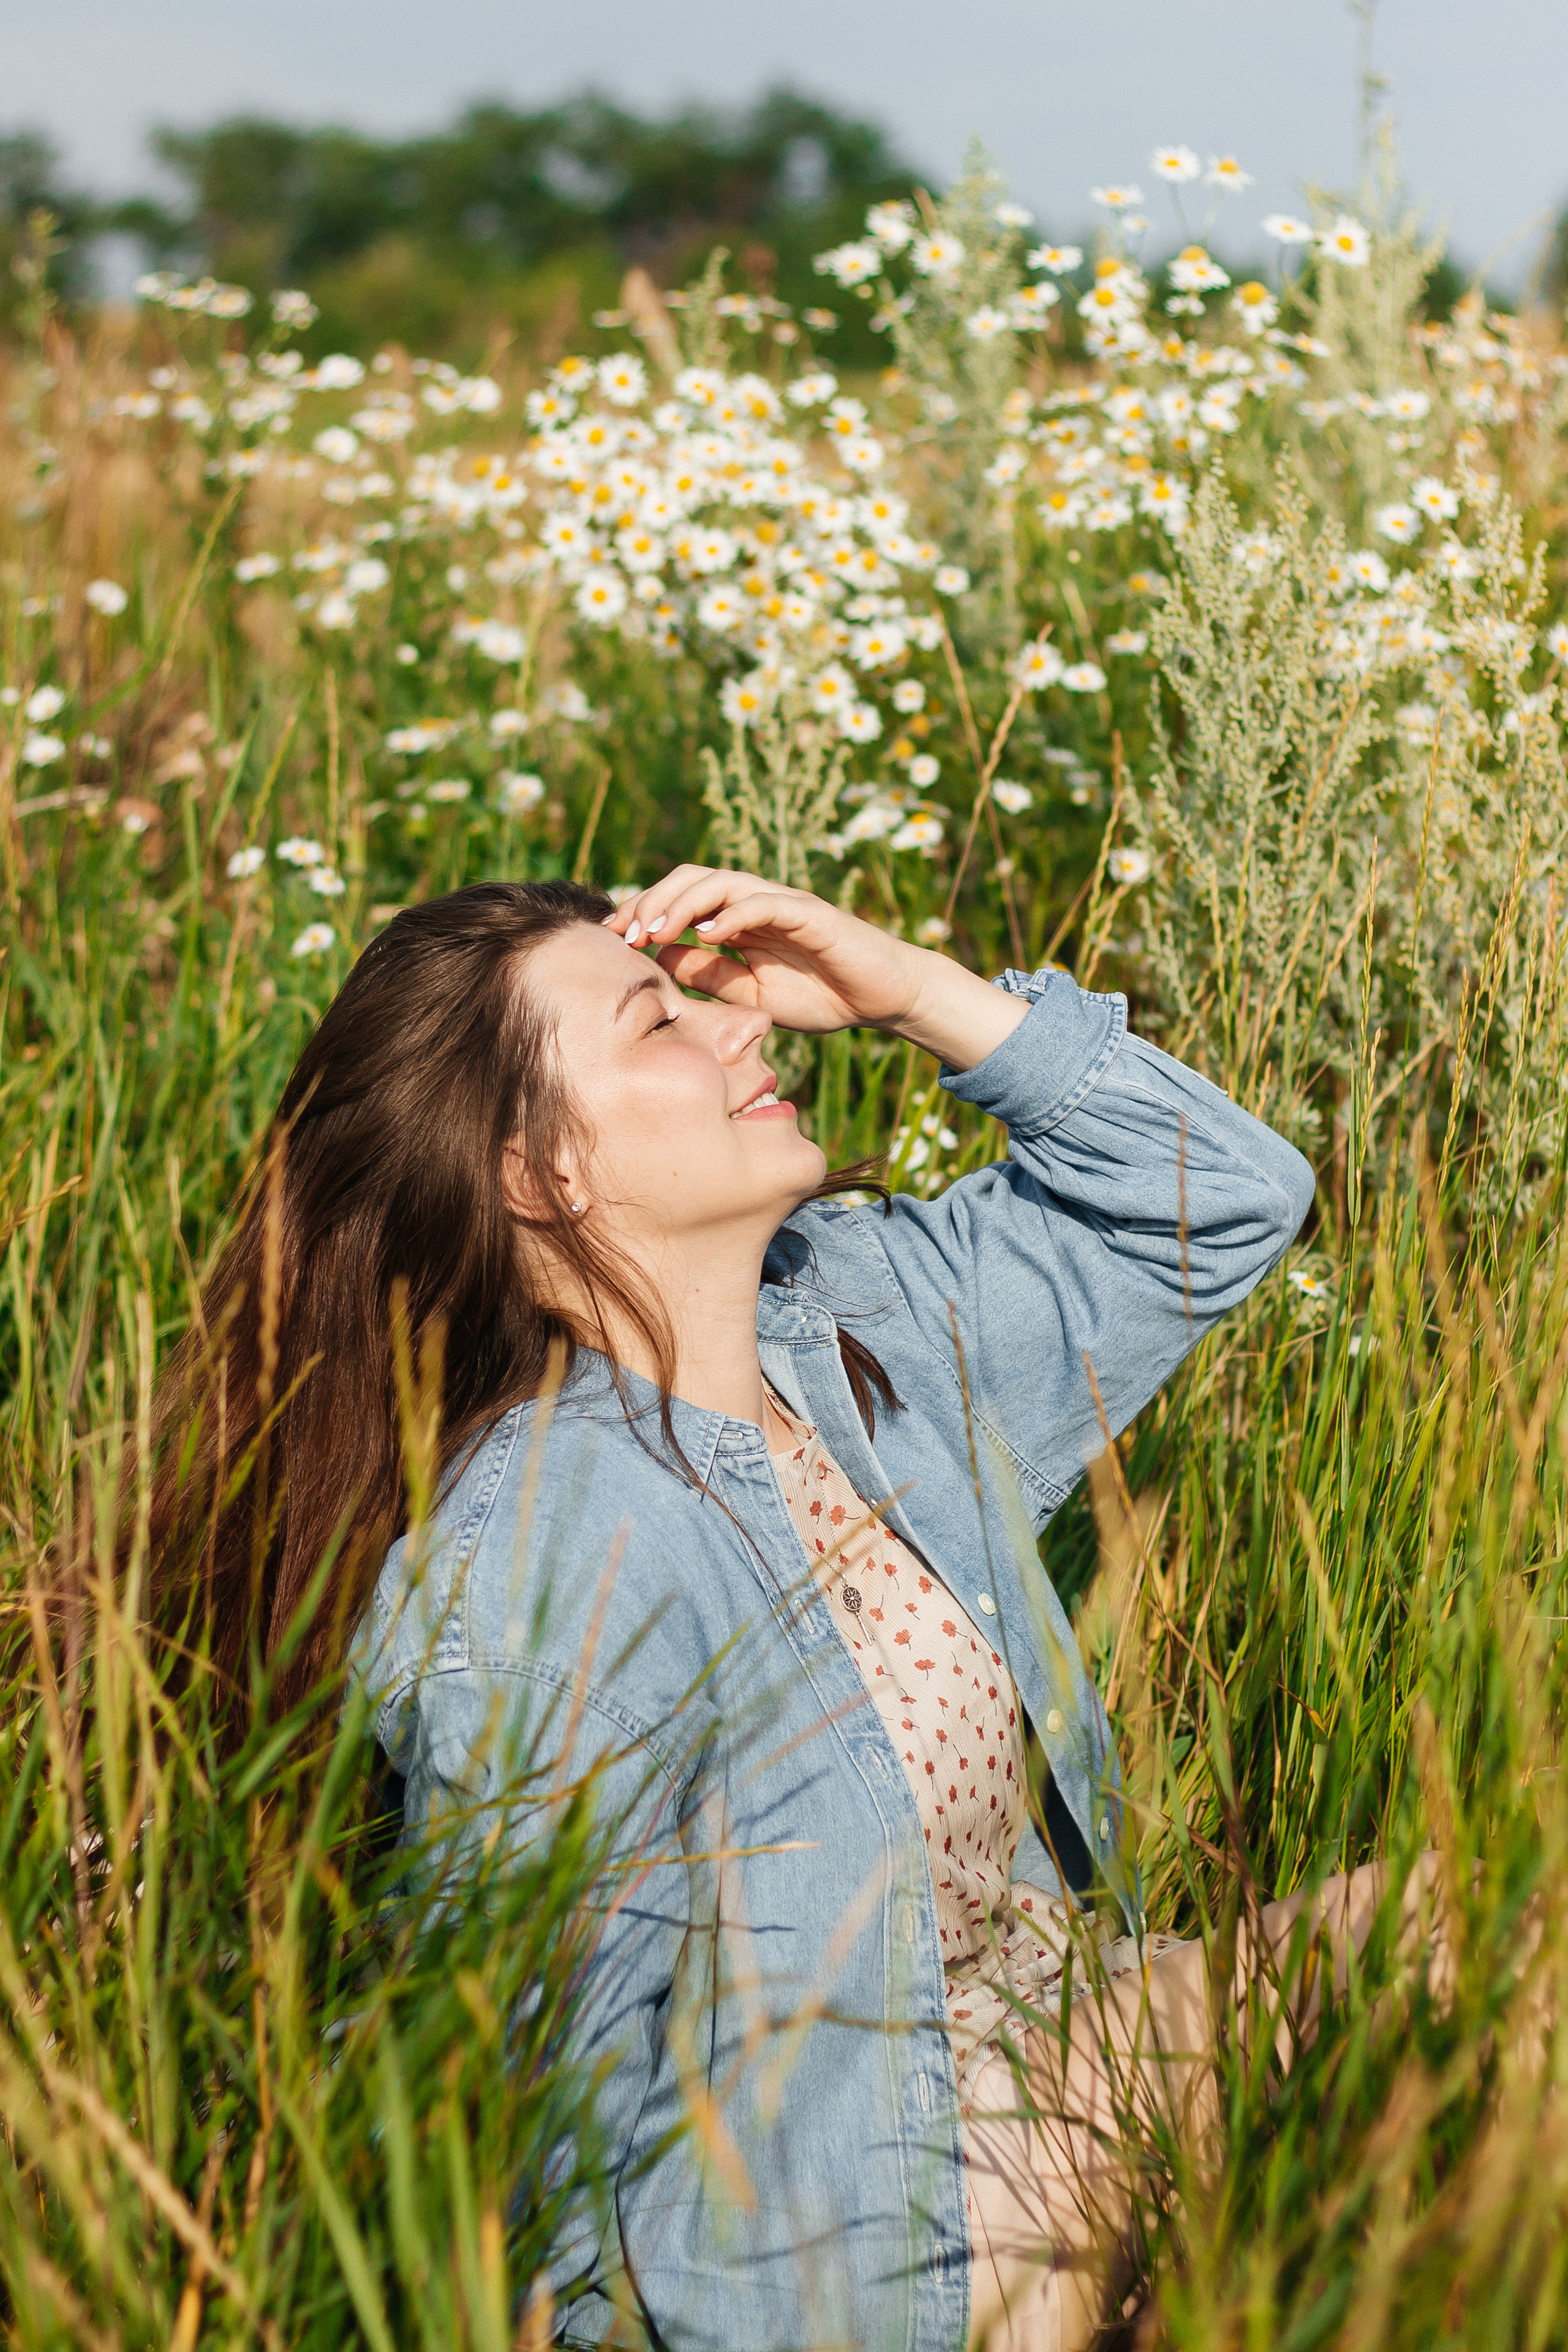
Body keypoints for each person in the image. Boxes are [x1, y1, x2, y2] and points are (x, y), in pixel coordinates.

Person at [148, 864, 1353, 2350]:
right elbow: (521, 2082)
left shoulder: (855, 1319)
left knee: (1466, 1943)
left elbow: (1228, 1200)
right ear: (538, 1176)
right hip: (878, 2232)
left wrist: (909, 987)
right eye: (659, 1020)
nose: (736, 1028)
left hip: (1075, 2057)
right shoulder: (549, 1548)